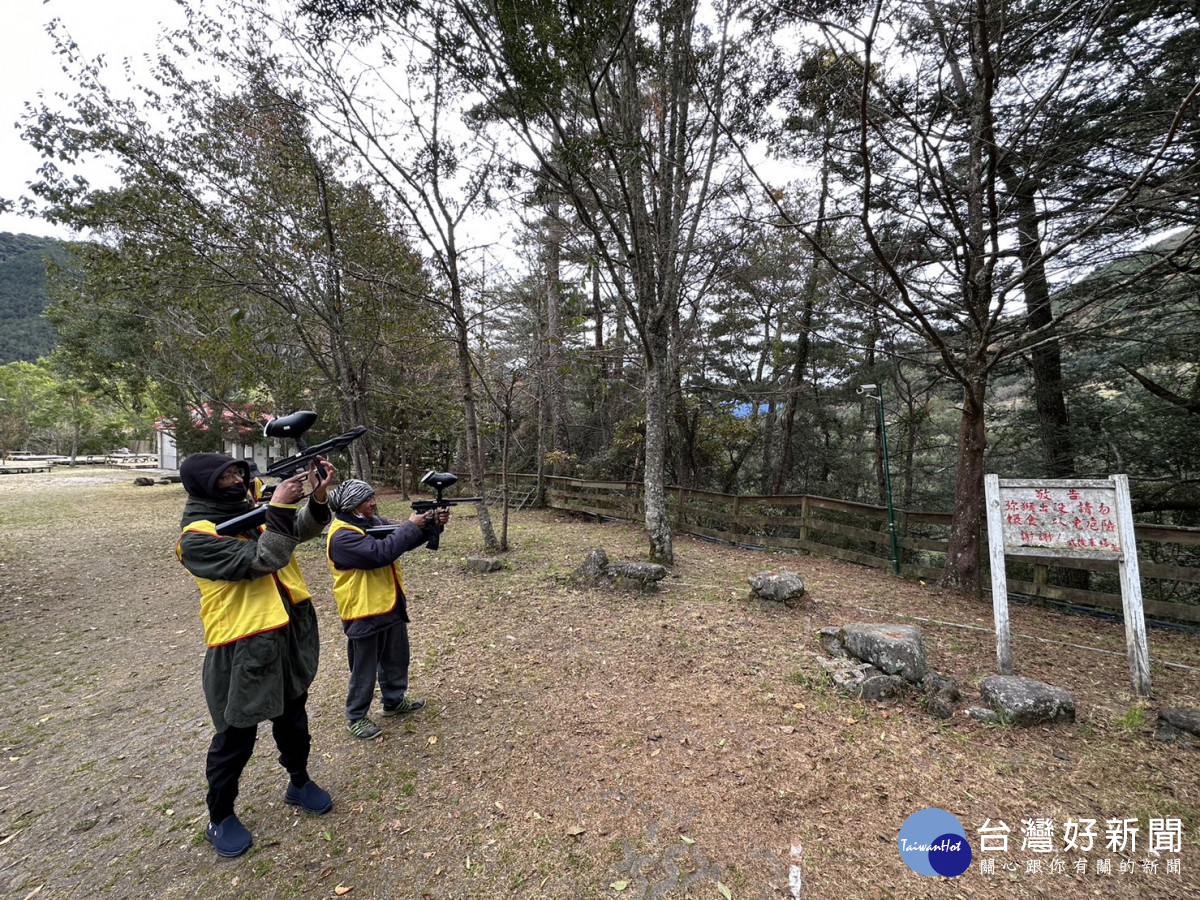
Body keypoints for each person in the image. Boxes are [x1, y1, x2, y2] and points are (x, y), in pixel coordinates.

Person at [177, 452, 336, 858]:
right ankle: (220, 815)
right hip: (240, 646)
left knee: (294, 721)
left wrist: (317, 498)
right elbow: (266, 557)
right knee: (235, 738)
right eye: (224, 475)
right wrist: (279, 505)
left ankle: (298, 782)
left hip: (286, 634)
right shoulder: (195, 538)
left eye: (238, 471)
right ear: (202, 485)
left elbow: (297, 531)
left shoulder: (253, 514)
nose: (235, 479)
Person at [325, 478, 449, 740]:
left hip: (388, 604)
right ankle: (356, 716)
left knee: (396, 657)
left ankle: (394, 701)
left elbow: (399, 542)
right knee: (364, 669)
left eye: (372, 497)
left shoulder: (371, 524)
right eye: (366, 499)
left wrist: (430, 526)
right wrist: (410, 526)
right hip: (362, 611)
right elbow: (380, 553)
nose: (373, 502)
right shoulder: (341, 535)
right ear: (351, 505)